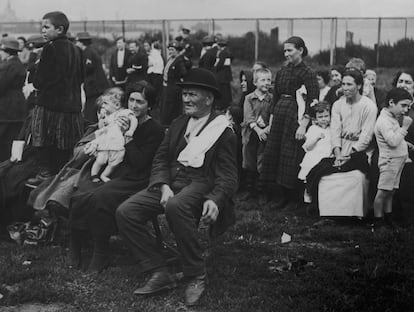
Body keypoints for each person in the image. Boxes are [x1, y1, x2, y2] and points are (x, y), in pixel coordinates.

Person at [115, 68, 237, 306]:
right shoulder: (179, 123)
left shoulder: (223, 130)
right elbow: (161, 158)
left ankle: (195, 273)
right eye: (184, 94)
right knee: (126, 212)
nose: (186, 99)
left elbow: (228, 175)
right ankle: (158, 269)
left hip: (201, 183)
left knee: (176, 206)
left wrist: (215, 199)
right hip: (171, 182)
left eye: (192, 95)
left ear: (209, 99)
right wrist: (162, 185)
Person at [68, 82, 164, 271]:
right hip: (116, 169)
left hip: (138, 177)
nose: (134, 106)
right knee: (79, 192)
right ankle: (75, 243)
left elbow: (140, 163)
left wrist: (127, 136)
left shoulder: (155, 130)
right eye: (131, 100)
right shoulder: (121, 119)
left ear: (150, 105)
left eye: (140, 102)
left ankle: (101, 251)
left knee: (99, 197)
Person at [260, 36, 319, 209]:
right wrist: (271, 120)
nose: (286, 54)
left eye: (290, 50)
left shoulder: (308, 73)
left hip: (295, 116)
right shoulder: (282, 71)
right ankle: (276, 195)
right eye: (284, 50)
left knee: (289, 154)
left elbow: (313, 99)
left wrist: (303, 124)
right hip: (279, 115)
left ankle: (291, 197)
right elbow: (275, 96)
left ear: (300, 50)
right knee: (274, 152)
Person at [27, 11, 84, 185]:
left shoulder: (49, 48)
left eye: (46, 27)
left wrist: (35, 70)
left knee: (44, 143)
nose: (42, 30)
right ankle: (61, 179)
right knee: (65, 147)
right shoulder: (77, 50)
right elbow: (81, 78)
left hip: (50, 107)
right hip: (71, 108)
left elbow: (40, 81)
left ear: (59, 29)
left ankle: (44, 177)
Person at [372, 88, 412, 229]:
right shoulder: (383, 121)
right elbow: (393, 141)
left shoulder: (392, 117)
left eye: (408, 106)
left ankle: (388, 217)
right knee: (383, 192)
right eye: (404, 105)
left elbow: (395, 137)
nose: (406, 110)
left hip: (397, 161)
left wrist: (405, 143)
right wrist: (405, 127)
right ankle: (378, 220)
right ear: (391, 102)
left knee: (391, 191)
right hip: (389, 162)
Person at [88, 91, 138, 182]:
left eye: (105, 103)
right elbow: (102, 127)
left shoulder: (124, 112)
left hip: (116, 142)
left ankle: (104, 175)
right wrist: (101, 120)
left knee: (115, 162)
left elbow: (133, 119)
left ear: (117, 105)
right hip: (105, 142)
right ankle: (94, 175)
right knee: (100, 160)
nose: (103, 106)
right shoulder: (108, 116)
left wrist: (131, 130)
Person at [241, 68, 273, 199]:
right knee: (249, 162)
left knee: (262, 161)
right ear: (255, 82)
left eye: (269, 80)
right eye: (263, 80)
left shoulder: (271, 98)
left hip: (265, 135)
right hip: (251, 134)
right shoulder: (249, 98)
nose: (266, 83)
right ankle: (249, 190)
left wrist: (266, 128)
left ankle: (261, 192)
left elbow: (272, 115)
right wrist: (257, 129)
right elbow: (248, 117)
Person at [298, 101, 332, 204]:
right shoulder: (313, 129)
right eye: (320, 117)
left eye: (326, 116)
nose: (324, 119)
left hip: (326, 157)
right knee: (310, 178)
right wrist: (316, 139)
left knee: (323, 180)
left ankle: (321, 200)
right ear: (315, 119)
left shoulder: (331, 129)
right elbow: (308, 147)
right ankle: (308, 198)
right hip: (314, 157)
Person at [0, 37, 27, 162]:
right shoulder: (19, 64)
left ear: (5, 51)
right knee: (13, 138)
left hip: (6, 107)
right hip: (19, 105)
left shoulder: (7, 66)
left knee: (4, 139)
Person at [75, 32, 109, 123]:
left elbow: (88, 67)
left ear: (81, 42)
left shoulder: (87, 52)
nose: (76, 43)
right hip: (97, 86)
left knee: (90, 112)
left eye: (77, 41)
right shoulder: (91, 51)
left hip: (94, 87)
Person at [159, 40, 187, 126]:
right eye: (169, 50)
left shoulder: (179, 60)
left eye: (172, 50)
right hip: (166, 86)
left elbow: (183, 73)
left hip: (174, 88)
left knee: (172, 108)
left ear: (177, 50)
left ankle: (171, 124)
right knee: (165, 107)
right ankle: (165, 124)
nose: (170, 52)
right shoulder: (170, 59)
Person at [214, 38, 233, 110]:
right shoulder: (228, 52)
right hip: (226, 74)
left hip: (222, 75)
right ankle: (227, 103)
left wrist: (215, 68)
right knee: (226, 90)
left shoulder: (222, 53)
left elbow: (220, 64)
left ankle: (222, 104)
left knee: (223, 91)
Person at [146, 41, 164, 109]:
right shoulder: (159, 54)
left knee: (153, 91)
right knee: (157, 92)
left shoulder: (153, 53)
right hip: (158, 74)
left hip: (154, 74)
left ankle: (153, 106)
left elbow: (150, 63)